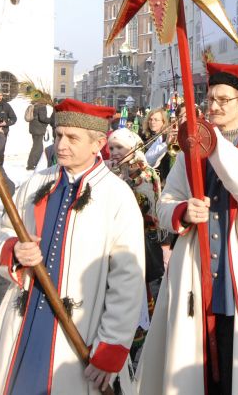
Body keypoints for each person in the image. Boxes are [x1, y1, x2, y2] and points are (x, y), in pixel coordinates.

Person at [138, 62, 238, 395]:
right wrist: (183, 211)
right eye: (211, 99)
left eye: (224, 99)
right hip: (195, 270)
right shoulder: (191, 151)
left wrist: (211, 140)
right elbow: (164, 205)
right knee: (191, 365)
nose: (215, 106)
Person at [0, 100, 145, 394]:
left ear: (98, 144)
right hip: (23, 323)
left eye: (72, 138)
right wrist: (14, 251)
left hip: (80, 330)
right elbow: (3, 231)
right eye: (59, 135)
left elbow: (127, 280)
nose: (61, 145)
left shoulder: (117, 196)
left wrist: (111, 347)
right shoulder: (36, 182)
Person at [107, 127, 165, 359]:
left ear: (133, 147)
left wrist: (119, 181)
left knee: (136, 291)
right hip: (115, 239)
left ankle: (136, 340)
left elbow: (142, 208)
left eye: (119, 147)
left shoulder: (143, 173)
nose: (114, 152)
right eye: (111, 147)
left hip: (138, 239)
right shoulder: (115, 171)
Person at [26, 99, 52, 170]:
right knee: (37, 147)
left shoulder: (34, 106)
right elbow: (42, 118)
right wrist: (51, 120)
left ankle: (35, 163)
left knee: (37, 146)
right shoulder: (42, 107)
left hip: (33, 129)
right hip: (38, 129)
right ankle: (31, 165)